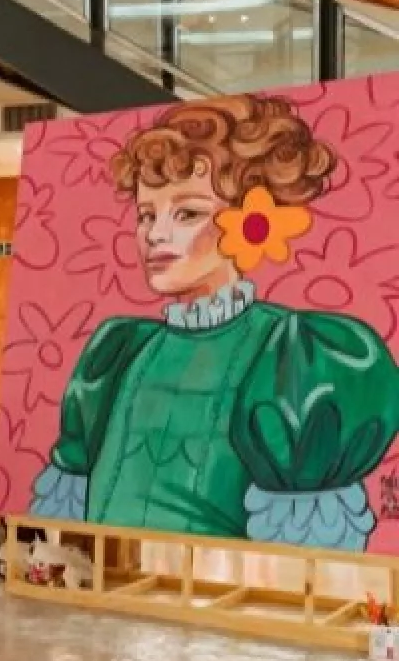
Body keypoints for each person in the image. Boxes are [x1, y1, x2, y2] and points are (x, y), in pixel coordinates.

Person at [32, 94, 399, 550]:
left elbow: (297, 562)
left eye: (187, 213)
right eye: (146, 215)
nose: (156, 235)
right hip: (112, 587)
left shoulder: (293, 357)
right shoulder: (118, 350)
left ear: (252, 221)